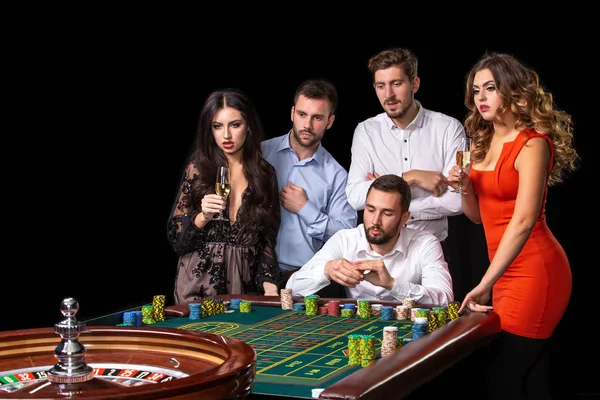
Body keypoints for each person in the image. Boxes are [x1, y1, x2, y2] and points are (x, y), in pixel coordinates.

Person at [446, 52, 579, 399]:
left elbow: (522, 222)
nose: (481, 98)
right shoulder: (480, 142)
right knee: (525, 381)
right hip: (501, 273)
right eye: (476, 91)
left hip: (536, 271)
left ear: (511, 90)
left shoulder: (533, 144)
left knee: (504, 379)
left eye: (491, 88)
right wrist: (464, 186)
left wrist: (483, 284)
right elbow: (477, 216)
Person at [345, 47, 466, 294]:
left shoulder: (448, 129)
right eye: (380, 86)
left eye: (396, 83)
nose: (388, 94)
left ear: (415, 83)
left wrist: (386, 198)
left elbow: (457, 202)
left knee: (432, 328)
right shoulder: (366, 132)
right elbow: (355, 196)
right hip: (380, 257)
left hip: (432, 252)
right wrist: (409, 179)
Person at [167, 88, 283, 303]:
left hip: (244, 288)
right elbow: (177, 240)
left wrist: (270, 286)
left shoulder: (265, 175)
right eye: (217, 126)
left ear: (248, 126)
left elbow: (266, 239)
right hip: (197, 286)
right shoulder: (198, 168)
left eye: (235, 125)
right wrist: (202, 216)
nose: (226, 135)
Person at [287, 174, 453, 306]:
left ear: (404, 218)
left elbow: (445, 299)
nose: (375, 221)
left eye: (387, 214)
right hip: (354, 331)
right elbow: (292, 288)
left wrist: (393, 285)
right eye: (370, 210)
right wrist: (327, 270)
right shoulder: (345, 240)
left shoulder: (426, 243)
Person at [262, 79, 357, 284]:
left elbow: (347, 237)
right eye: (302, 114)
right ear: (292, 113)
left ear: (329, 122)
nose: (307, 125)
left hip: (304, 277)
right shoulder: (261, 154)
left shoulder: (337, 176)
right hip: (252, 273)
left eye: (317, 118)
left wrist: (306, 209)